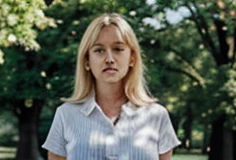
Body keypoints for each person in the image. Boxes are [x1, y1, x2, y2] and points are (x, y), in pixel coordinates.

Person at [42, 13, 180, 160]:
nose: (109, 59)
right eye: (99, 50)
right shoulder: (66, 115)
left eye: (118, 49)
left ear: (132, 58)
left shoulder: (157, 116)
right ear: (87, 61)